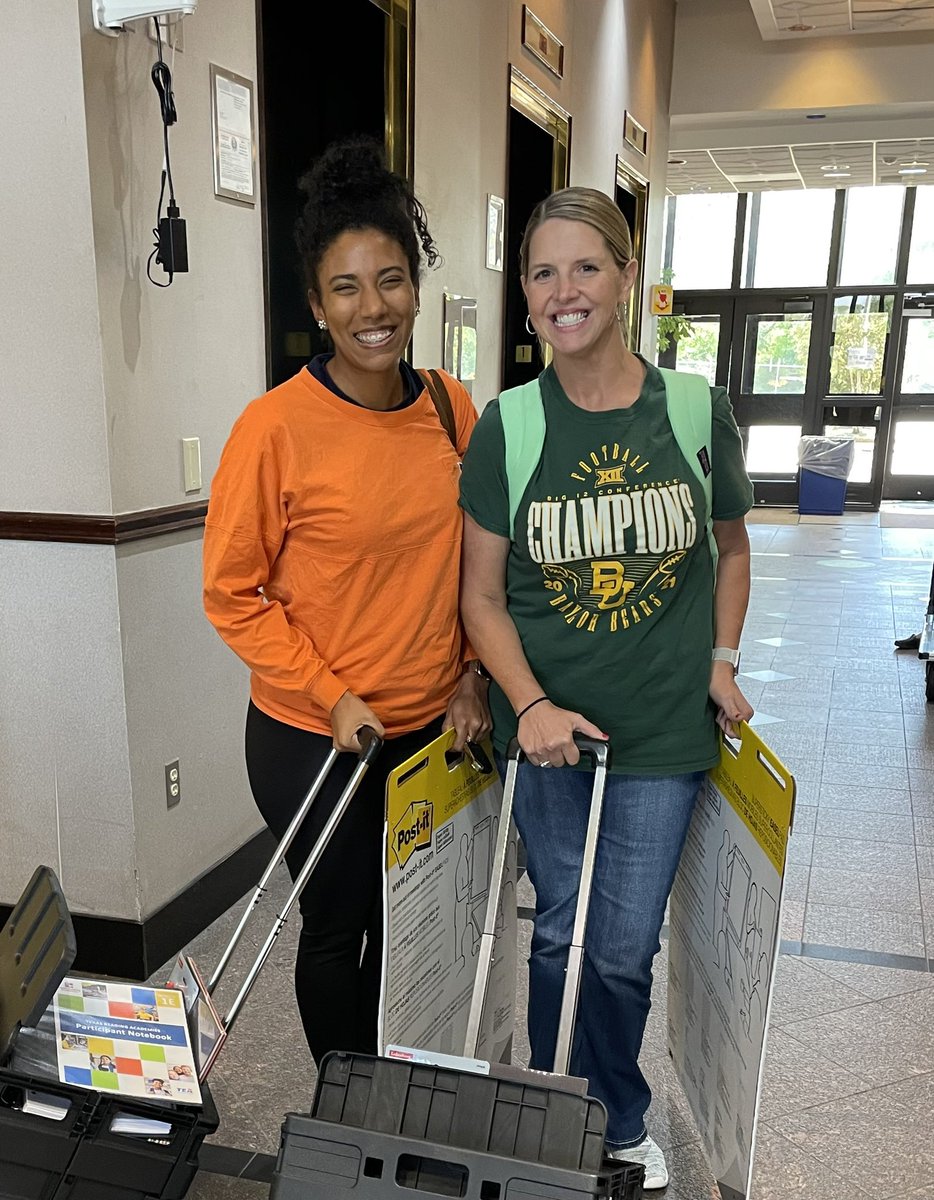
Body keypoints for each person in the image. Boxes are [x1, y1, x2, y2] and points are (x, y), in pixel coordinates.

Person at [459, 187, 753, 1190]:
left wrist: (722, 662)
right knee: (558, 934)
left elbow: (730, 544)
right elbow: (481, 597)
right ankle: (554, 1104)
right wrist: (529, 708)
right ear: (527, 296)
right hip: (548, 734)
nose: (563, 290)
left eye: (586, 266)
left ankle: (616, 1113)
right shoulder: (508, 425)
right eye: (542, 272)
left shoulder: (692, 409)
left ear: (626, 276)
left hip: (661, 733)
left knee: (620, 949)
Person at [203, 137, 490, 1065]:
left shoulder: (453, 409)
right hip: (312, 736)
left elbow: (482, 572)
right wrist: (333, 696)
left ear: (417, 284)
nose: (375, 309)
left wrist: (475, 678)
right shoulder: (274, 428)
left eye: (392, 280)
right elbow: (231, 594)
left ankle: (391, 1081)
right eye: (347, 288)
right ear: (317, 303)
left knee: (408, 926)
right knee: (338, 925)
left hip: (431, 732)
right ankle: (345, 1103)